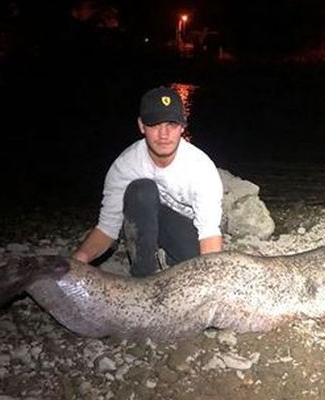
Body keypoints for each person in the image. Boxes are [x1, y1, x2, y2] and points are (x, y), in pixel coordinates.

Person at [73, 86, 223, 277]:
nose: (163, 134)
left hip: (184, 228)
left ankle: (170, 258)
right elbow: (107, 228)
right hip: (143, 218)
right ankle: (143, 275)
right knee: (140, 190)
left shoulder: (201, 168)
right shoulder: (125, 165)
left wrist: (212, 277)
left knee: (199, 269)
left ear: (182, 127)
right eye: (154, 124)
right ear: (141, 126)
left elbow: (209, 232)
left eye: (171, 124)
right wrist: (79, 259)